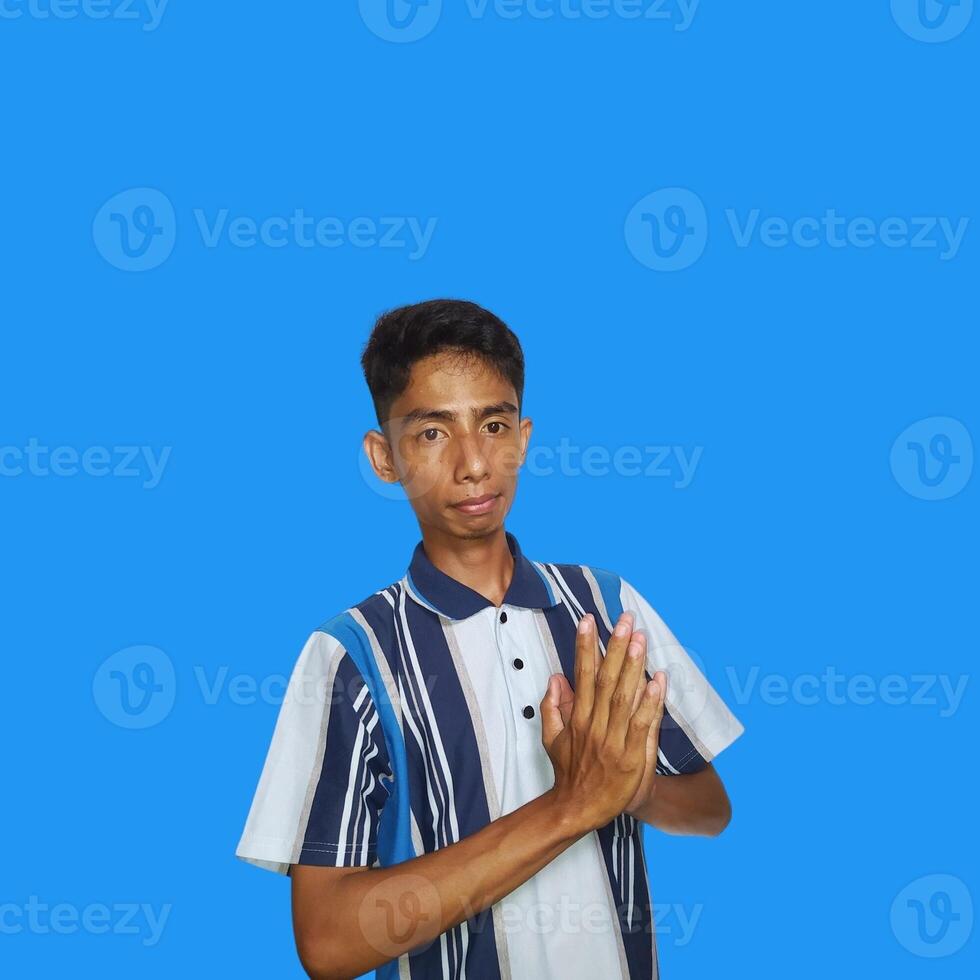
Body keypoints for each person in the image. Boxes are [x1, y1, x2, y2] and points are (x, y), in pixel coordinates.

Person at [235, 299, 745, 979]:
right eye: (433, 434)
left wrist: (629, 789)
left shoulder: (607, 606)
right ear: (383, 456)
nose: (474, 463)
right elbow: (327, 943)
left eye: (494, 424)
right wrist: (570, 806)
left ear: (524, 438)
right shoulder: (350, 657)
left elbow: (711, 808)